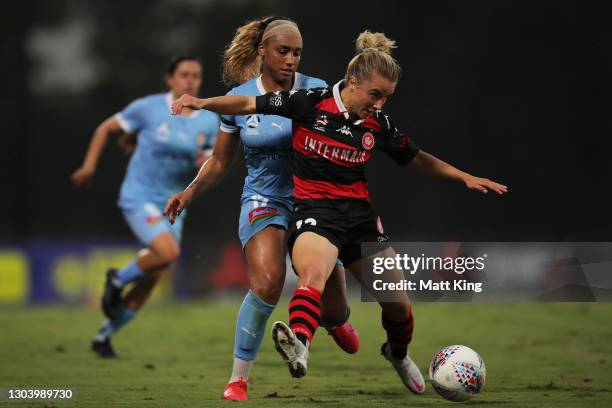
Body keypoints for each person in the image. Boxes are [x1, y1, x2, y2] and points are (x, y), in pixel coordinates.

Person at [167, 31, 508, 395]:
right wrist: (203, 103)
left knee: (399, 308)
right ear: (353, 81)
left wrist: (463, 176)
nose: (378, 105)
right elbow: (248, 104)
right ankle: (298, 345)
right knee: (310, 275)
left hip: (360, 219)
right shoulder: (308, 102)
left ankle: (397, 354)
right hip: (315, 214)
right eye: (374, 95)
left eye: (386, 98)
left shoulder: (379, 124)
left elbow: (416, 158)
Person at [164, 17, 359, 401]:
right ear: (262, 52)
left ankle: (334, 323)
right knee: (268, 282)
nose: (291, 59)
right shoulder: (239, 99)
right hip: (264, 199)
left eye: (297, 52)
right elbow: (220, 161)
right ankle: (238, 379)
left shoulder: (318, 91)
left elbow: (347, 149)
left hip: (313, 200)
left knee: (334, 309)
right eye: (283, 51)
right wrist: (189, 191)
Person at [72, 55, 219, 358]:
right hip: (139, 196)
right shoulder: (149, 108)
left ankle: (104, 336)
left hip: (174, 204)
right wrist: (88, 168)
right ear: (170, 79)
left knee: (154, 274)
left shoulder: (208, 119)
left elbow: (210, 162)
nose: (190, 80)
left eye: (196, 75)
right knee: (168, 253)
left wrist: (205, 164)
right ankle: (117, 279)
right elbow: (105, 129)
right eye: (184, 74)